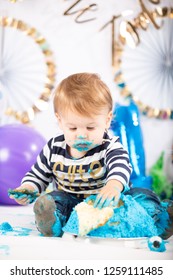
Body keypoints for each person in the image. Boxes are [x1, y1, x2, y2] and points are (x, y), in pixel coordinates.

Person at [9, 73, 132, 237]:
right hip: (69, 203)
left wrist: (114, 185)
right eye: (73, 128)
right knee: (54, 200)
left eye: (90, 128)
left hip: (102, 204)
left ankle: (159, 215)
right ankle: (52, 221)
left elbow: (120, 165)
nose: (81, 135)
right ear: (60, 121)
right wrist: (28, 188)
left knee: (136, 198)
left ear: (107, 120)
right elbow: (38, 174)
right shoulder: (54, 147)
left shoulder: (109, 146)